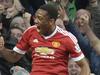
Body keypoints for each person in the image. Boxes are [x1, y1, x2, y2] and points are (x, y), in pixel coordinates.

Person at [0, 3, 90, 75]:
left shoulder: (67, 38)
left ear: (51, 21)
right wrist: (2, 49)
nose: (35, 21)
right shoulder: (30, 32)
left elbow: (84, 66)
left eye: (40, 18)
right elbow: (14, 57)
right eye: (35, 17)